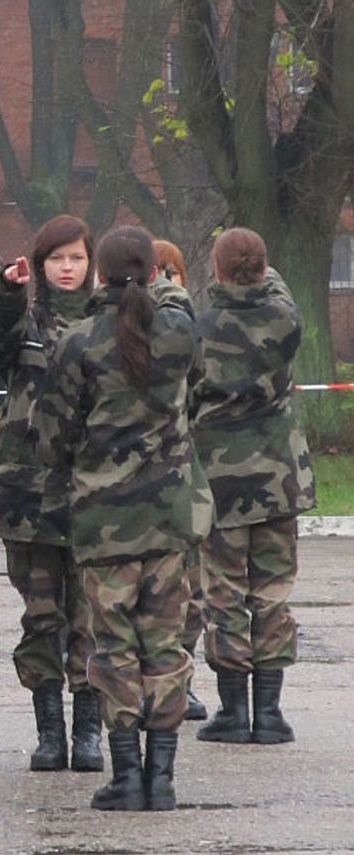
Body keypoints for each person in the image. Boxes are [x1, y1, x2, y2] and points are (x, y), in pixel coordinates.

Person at [32, 225, 213, 812]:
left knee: (112, 647)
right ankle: (162, 779)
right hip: (170, 516)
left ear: (99, 274)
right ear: (154, 274)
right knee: (165, 645)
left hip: (105, 520)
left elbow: (50, 437)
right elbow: (198, 385)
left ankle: (126, 775)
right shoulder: (178, 332)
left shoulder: (79, 342)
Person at [0, 215, 104, 774]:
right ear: (40, 263)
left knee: (90, 618)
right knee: (41, 618)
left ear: (92, 263)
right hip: (28, 494)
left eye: (77, 258)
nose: (67, 268)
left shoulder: (107, 322)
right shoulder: (26, 320)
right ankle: (49, 733)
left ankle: (88, 732)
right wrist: (8, 293)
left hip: (90, 491)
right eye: (57, 258)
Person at [190, 228, 315, 745]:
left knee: (223, 594)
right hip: (279, 476)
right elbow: (276, 287)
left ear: (217, 271)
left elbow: (186, 395)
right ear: (263, 269)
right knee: (272, 592)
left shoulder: (200, 327)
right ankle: (269, 712)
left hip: (220, 480)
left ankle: (233, 711)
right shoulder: (285, 319)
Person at [151, 238, 208, 721]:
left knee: (192, 592)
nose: (169, 282)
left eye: (175, 272)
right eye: (160, 272)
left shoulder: (190, 328)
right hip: (144, 484)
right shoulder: (133, 329)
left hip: (185, 476)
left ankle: (182, 679)